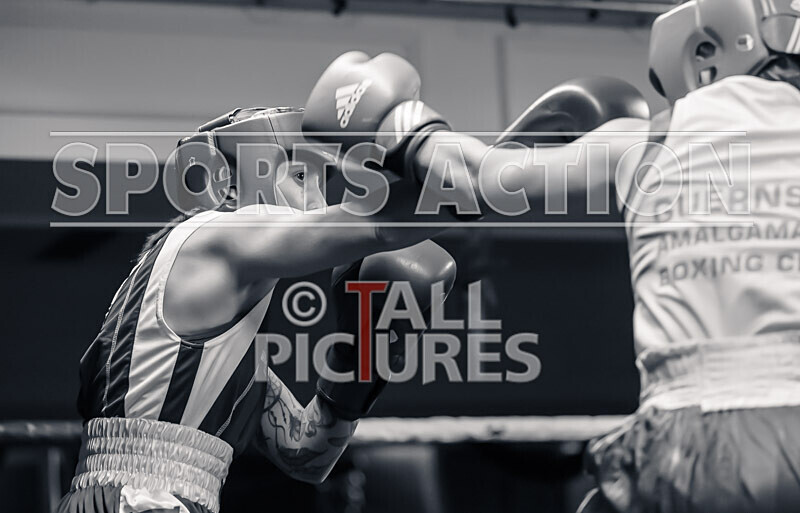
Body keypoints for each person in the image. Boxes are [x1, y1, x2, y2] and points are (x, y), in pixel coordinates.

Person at [302, 0, 800, 509]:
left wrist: (399, 124)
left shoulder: (651, 138)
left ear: (702, 50)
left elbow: (476, 181)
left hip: (692, 437)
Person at [57, 101, 457, 513]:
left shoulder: (231, 355)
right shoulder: (210, 238)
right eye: (301, 175)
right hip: (135, 498)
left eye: (323, 180)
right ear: (229, 186)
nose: (318, 202)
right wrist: (439, 155)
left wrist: (363, 353)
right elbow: (379, 226)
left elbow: (306, 455)